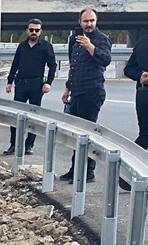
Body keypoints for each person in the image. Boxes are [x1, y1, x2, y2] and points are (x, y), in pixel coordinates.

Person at [60, 7, 112, 182]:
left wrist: (91, 47)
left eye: (92, 21)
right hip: (77, 93)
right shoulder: (75, 41)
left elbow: (105, 60)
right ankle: (75, 169)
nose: (89, 24)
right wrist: (68, 88)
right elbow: (75, 67)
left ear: (96, 21)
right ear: (80, 22)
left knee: (87, 134)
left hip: (92, 92)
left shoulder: (101, 39)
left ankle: (88, 172)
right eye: (86, 21)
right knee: (76, 134)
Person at [4, 18, 57, 156]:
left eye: (37, 30)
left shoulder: (46, 46)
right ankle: (14, 144)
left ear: (40, 31)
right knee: (16, 116)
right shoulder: (22, 46)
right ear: (27, 30)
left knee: (34, 117)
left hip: (36, 85)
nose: (34, 32)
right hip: (21, 84)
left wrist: (48, 83)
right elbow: (15, 64)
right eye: (31, 29)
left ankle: (29, 145)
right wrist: (9, 82)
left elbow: (53, 65)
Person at [121, 35, 148, 190]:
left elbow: (128, 69)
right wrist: (140, 76)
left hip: (142, 93)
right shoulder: (144, 42)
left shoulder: (142, 41)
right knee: (145, 136)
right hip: (144, 94)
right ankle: (126, 174)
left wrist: (139, 76)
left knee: (145, 136)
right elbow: (128, 69)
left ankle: (126, 174)